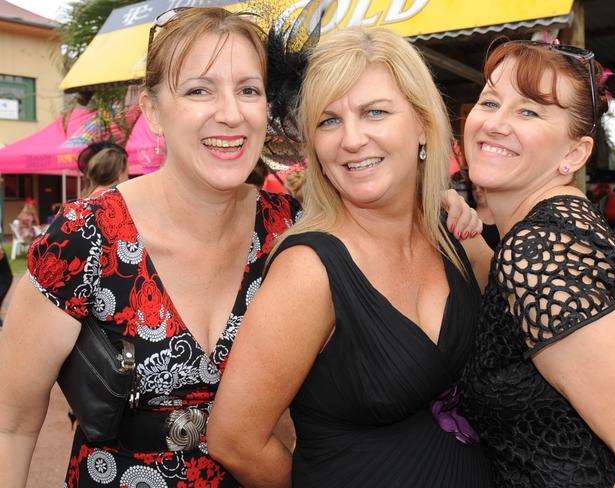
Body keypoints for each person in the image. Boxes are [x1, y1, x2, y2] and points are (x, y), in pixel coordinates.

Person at [0, 8, 478, 488]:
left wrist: (429, 196)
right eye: (198, 90)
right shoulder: (83, 237)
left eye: (248, 90)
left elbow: (375, 218)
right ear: (151, 110)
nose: (229, 113)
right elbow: (12, 424)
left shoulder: (288, 225)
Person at [208, 27, 494, 487]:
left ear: (422, 122)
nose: (352, 139)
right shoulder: (309, 271)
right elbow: (234, 440)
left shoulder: (459, 238)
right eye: (328, 121)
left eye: (374, 112)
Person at [459, 40, 615, 487]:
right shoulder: (561, 224)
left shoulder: (539, 251)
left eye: (530, 112)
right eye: (490, 101)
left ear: (575, 154)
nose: (496, 123)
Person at [469, 183, 499, 250]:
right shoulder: (468, 215)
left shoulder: (502, 214)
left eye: (482, 188)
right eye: (474, 188)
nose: (477, 191)